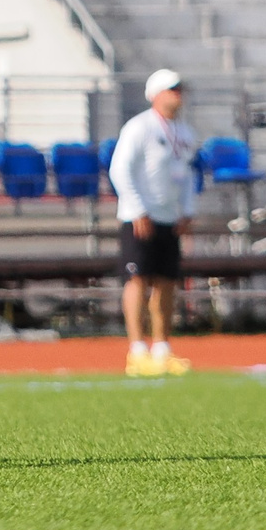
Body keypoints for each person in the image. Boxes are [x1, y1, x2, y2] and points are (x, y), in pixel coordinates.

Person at [109, 68, 198, 377]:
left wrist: (187, 210)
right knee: (138, 280)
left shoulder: (184, 132)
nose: (178, 95)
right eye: (172, 89)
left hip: (169, 217)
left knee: (167, 282)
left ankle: (162, 348)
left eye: (179, 89)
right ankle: (137, 351)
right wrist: (137, 210)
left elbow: (187, 176)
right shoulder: (139, 127)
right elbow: (121, 169)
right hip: (141, 218)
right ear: (156, 94)